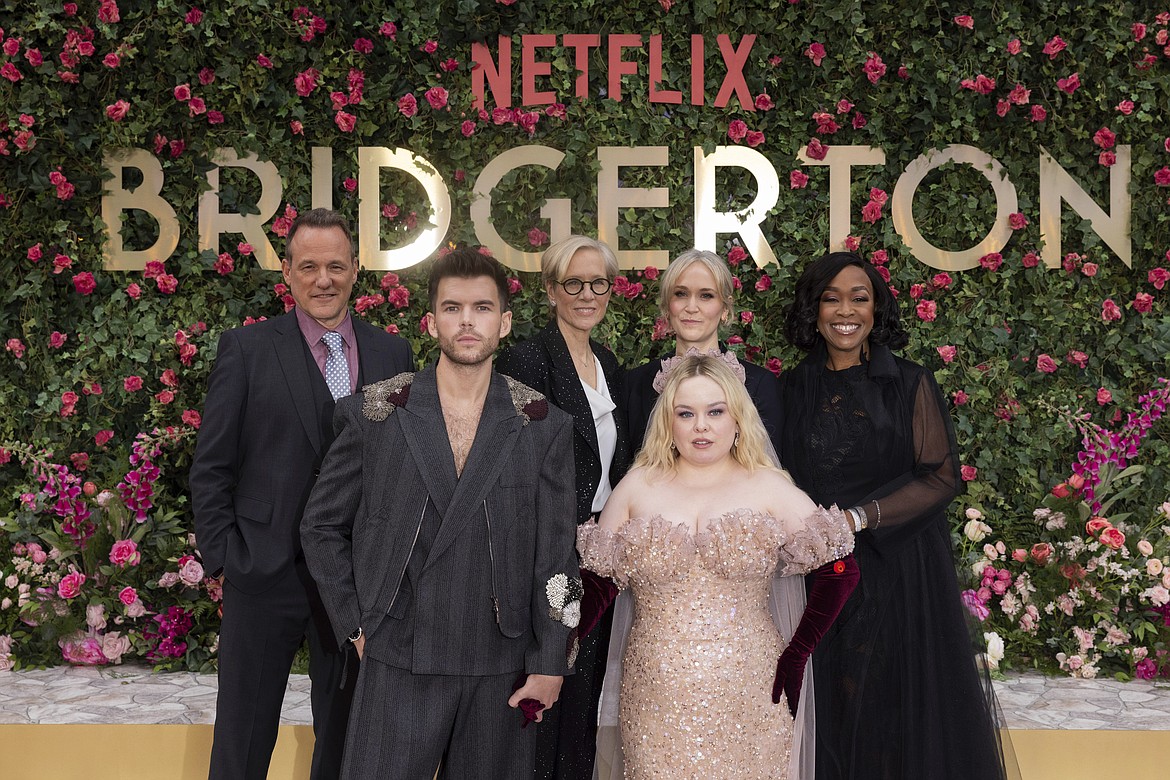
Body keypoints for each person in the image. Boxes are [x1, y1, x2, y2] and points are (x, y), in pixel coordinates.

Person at [300, 247, 581, 778]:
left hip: (501, 661)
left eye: (481, 308)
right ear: (431, 323)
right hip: (396, 652)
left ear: (504, 321)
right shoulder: (376, 413)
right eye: (453, 308)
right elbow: (320, 527)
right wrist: (355, 624)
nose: (467, 321)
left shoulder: (543, 424)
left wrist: (551, 664)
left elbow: (558, 560)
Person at [190, 208, 413, 780]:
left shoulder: (393, 355)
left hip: (355, 582)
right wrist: (226, 559)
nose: (323, 279)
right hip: (263, 573)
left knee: (344, 740)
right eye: (309, 266)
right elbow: (211, 467)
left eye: (335, 266)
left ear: (356, 270)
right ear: (286, 272)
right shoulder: (246, 349)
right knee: (242, 740)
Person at [777, 252, 1011, 780]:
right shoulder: (790, 388)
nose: (845, 310)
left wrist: (858, 519)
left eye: (859, 297)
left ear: (876, 308)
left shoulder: (908, 381)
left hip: (900, 575)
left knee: (891, 711)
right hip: (819, 579)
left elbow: (940, 476)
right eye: (831, 298)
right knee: (828, 708)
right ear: (813, 310)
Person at [577, 355, 858, 779]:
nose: (701, 426)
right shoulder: (637, 486)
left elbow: (841, 570)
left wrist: (798, 653)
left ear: (738, 418)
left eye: (715, 411)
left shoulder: (769, 487)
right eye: (686, 414)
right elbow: (599, 586)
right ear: (668, 423)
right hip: (655, 692)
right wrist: (557, 647)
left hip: (751, 689)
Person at [496, 235, 631, 780]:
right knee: (538, 699)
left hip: (596, 558)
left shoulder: (609, 362)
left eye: (597, 282)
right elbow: (514, 464)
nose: (586, 294)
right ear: (551, 290)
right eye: (573, 283)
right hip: (544, 554)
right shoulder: (527, 358)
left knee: (581, 700)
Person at [624, 249, 782, 458]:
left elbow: (765, 470)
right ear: (666, 306)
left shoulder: (759, 383)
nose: (691, 307)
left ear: (725, 308)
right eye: (681, 294)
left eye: (706, 296)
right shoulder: (635, 383)